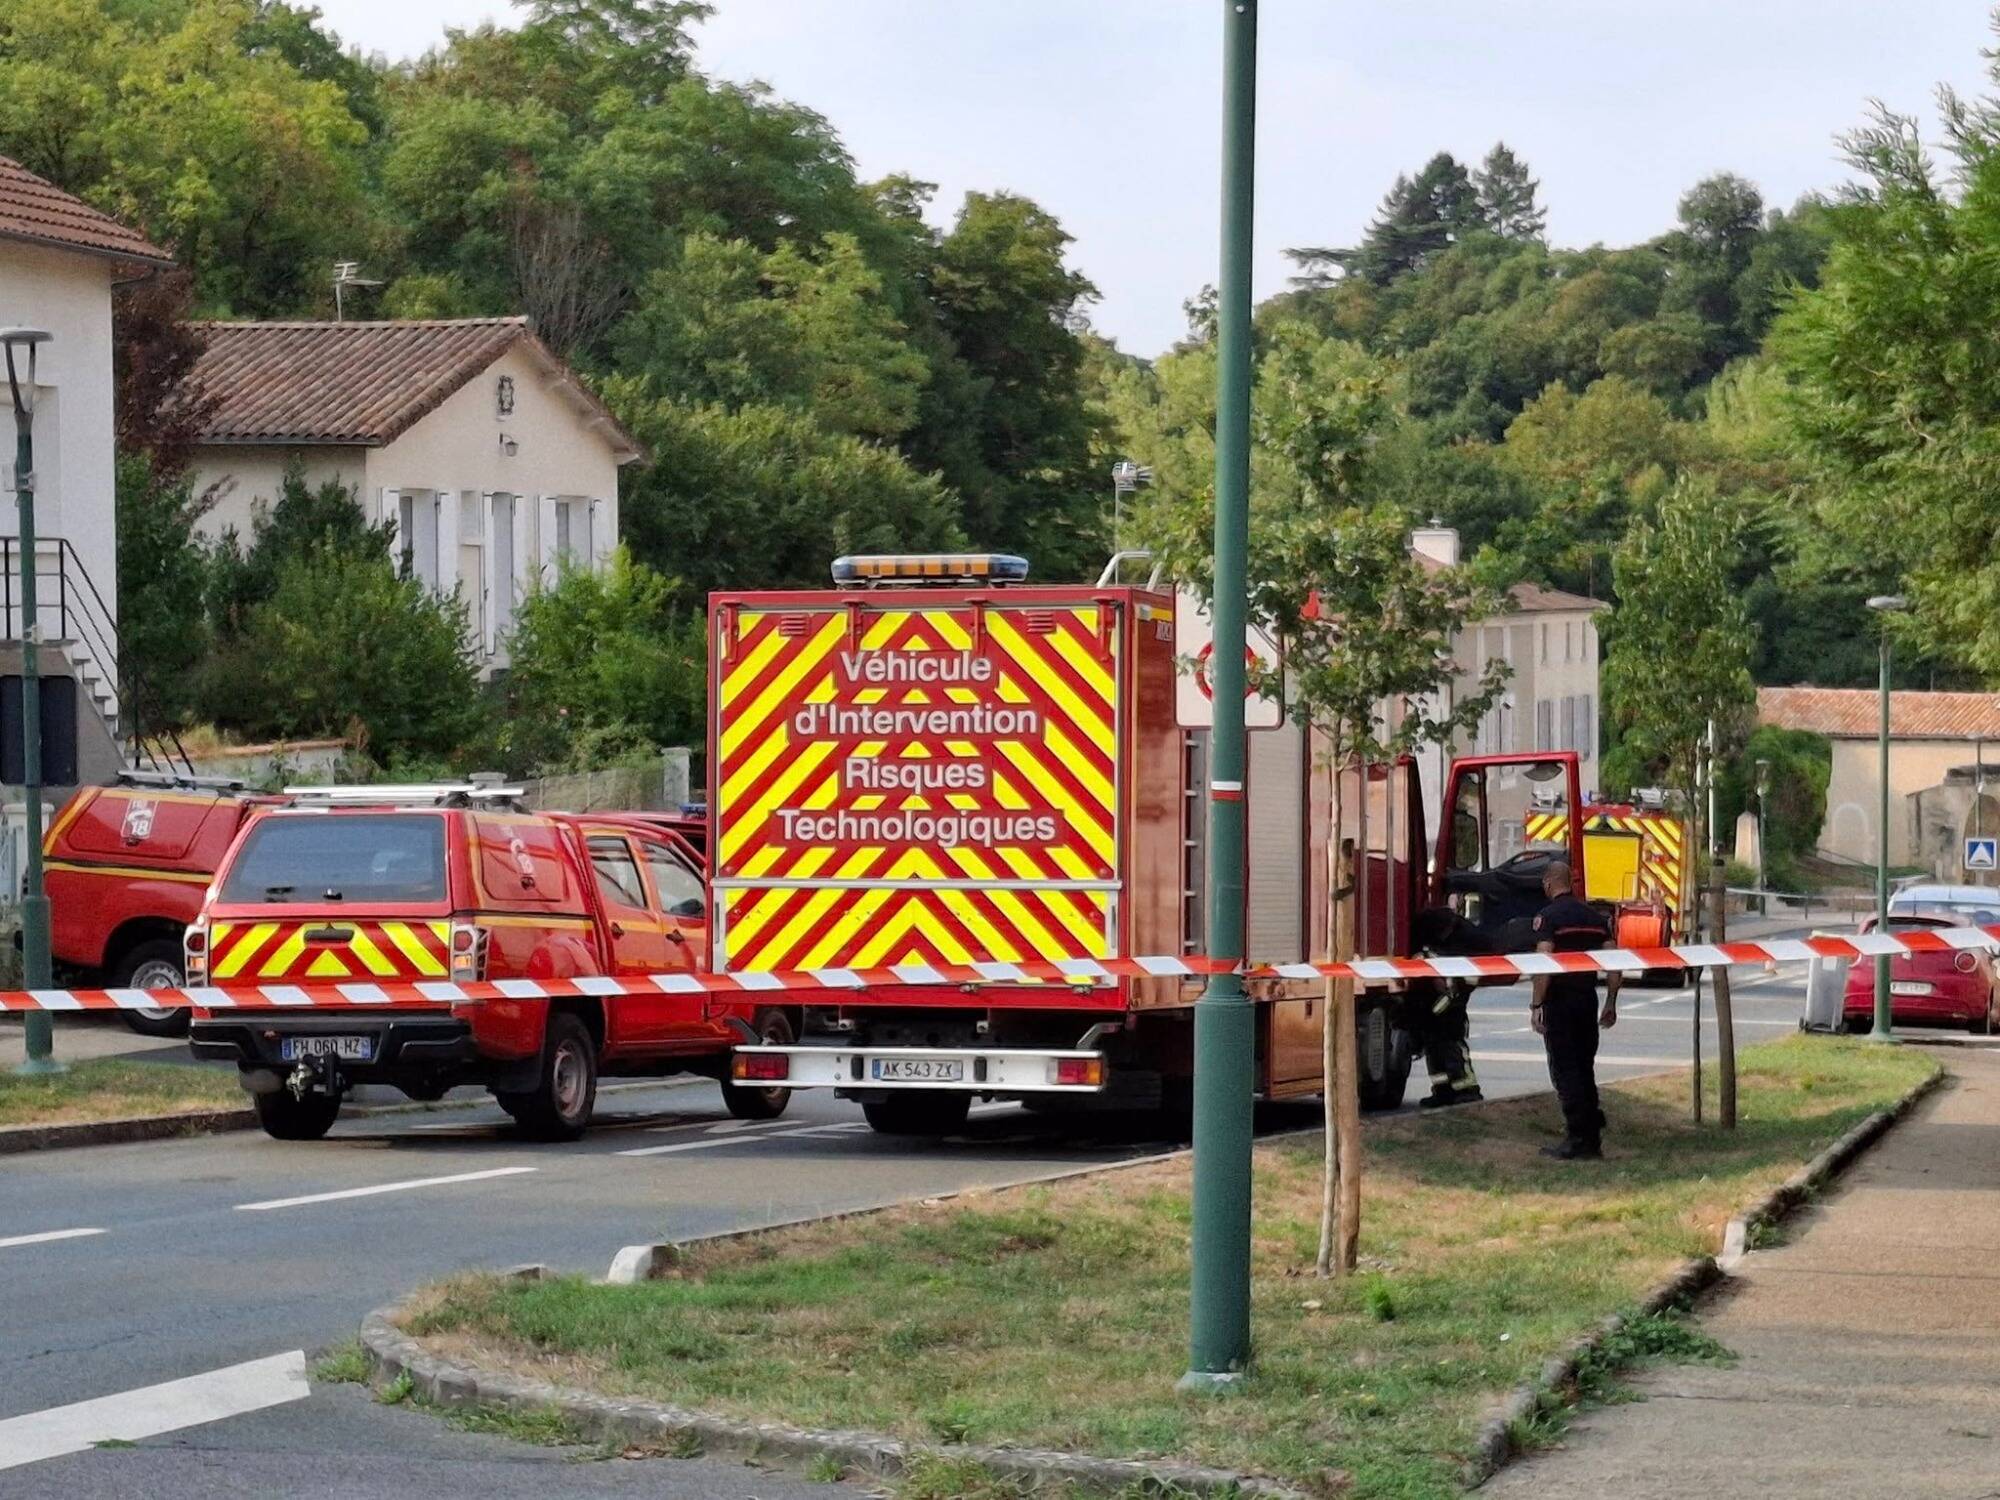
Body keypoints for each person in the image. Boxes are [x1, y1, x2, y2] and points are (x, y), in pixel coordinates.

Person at [1529, 861, 1618, 1159]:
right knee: (1584, 1068)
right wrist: (1611, 1002)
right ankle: (1591, 1138)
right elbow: (1614, 964)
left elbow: (1544, 965)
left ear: (1549, 883)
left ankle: (1578, 1140)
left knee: (1565, 1071)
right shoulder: (1595, 917)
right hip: (1587, 1000)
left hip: (1560, 1003)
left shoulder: (1548, 918)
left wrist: (1537, 1003)